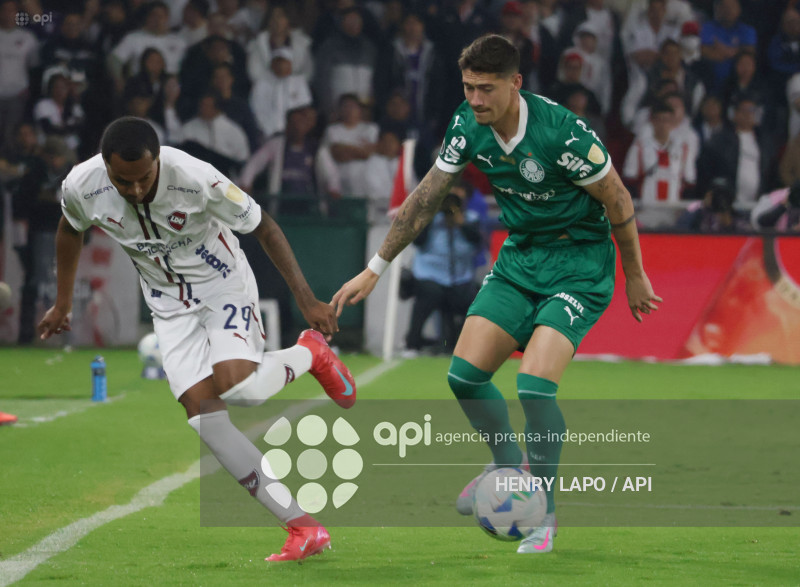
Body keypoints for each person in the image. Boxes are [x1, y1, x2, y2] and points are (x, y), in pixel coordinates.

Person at [332, 35, 661, 554]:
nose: (477, 99)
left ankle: (544, 514)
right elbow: (425, 198)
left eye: (486, 89)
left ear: (515, 84)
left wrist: (635, 273)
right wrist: (375, 268)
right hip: (520, 259)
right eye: (469, 88)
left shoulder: (564, 134)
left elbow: (617, 196)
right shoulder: (467, 124)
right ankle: (508, 466)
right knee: (464, 376)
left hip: (578, 264)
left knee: (533, 386)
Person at [38, 117, 357, 562]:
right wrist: (63, 302)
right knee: (204, 416)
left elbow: (264, 226)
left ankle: (310, 352)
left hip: (221, 282)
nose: (132, 190)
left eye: (143, 178)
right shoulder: (82, 184)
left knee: (239, 388)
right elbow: (70, 229)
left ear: (158, 160)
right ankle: (303, 528)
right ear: (104, 165)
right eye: (121, 181)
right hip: (167, 306)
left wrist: (305, 298)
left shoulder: (197, 178)